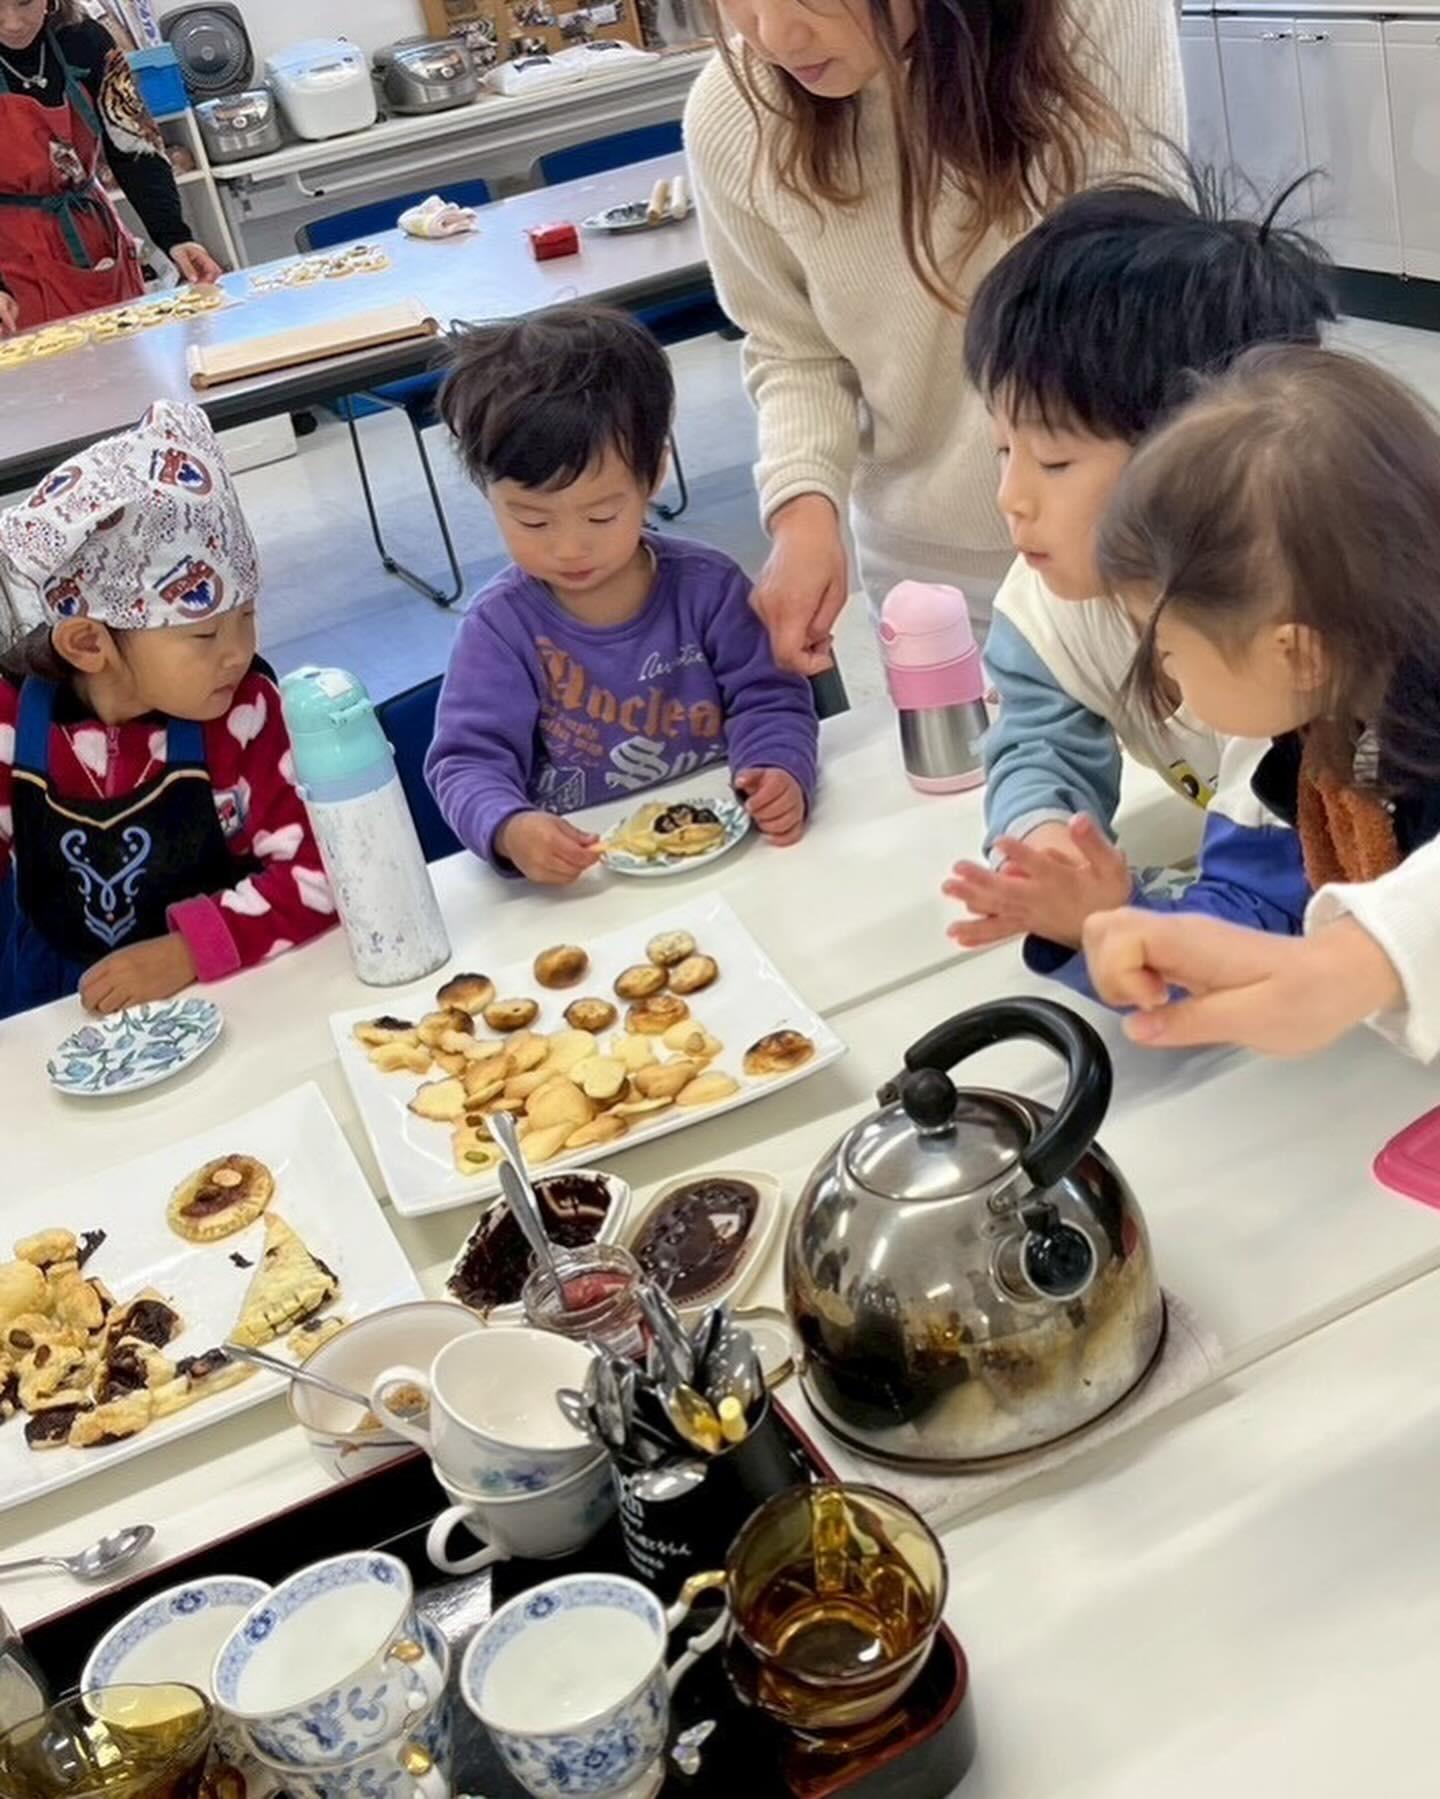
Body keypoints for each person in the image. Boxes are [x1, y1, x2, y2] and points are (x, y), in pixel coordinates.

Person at [685, 0, 1185, 674]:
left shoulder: (1089, 17)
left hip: (1129, 536)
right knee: (959, 745)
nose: (775, 36)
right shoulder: (735, 114)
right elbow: (793, 347)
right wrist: (802, 509)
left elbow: (1146, 282)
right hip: (930, 571)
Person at [941, 175, 1334, 985]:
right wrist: (1048, 845)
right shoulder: (1055, 603)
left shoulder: (1284, 644)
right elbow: (1040, 742)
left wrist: (1106, 926)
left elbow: (1267, 934)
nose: (1010, 497)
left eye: (1054, 461)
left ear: (1199, 463)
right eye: (1002, 449)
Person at [1082, 346, 1440, 1063]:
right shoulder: (1330, 720)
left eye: (1168, 650)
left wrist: (1352, 963)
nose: (1164, 675)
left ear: (1297, 654)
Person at [425, 307, 819, 886]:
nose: (569, 548)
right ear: (489, 495)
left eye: (601, 515)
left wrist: (778, 768)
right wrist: (509, 827)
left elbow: (771, 698)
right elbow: (466, 763)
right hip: (590, 879)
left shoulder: (708, 590)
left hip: (730, 854)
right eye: (533, 521)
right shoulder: (500, 629)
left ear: (653, 474)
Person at [0, 400, 337, 1019]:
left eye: (247, 615)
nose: (239, 653)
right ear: (89, 644)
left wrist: (190, 950)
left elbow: (322, 872)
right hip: (59, 1007)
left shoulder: (245, 715)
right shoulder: (11, 724)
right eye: (204, 635)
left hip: (236, 991)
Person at [0, 0, 222, 335]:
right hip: (10, 255)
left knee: (122, 352)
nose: (13, 23)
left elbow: (132, 144)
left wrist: (174, 236)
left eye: (25, 2)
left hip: (95, 241)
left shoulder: (84, 40)